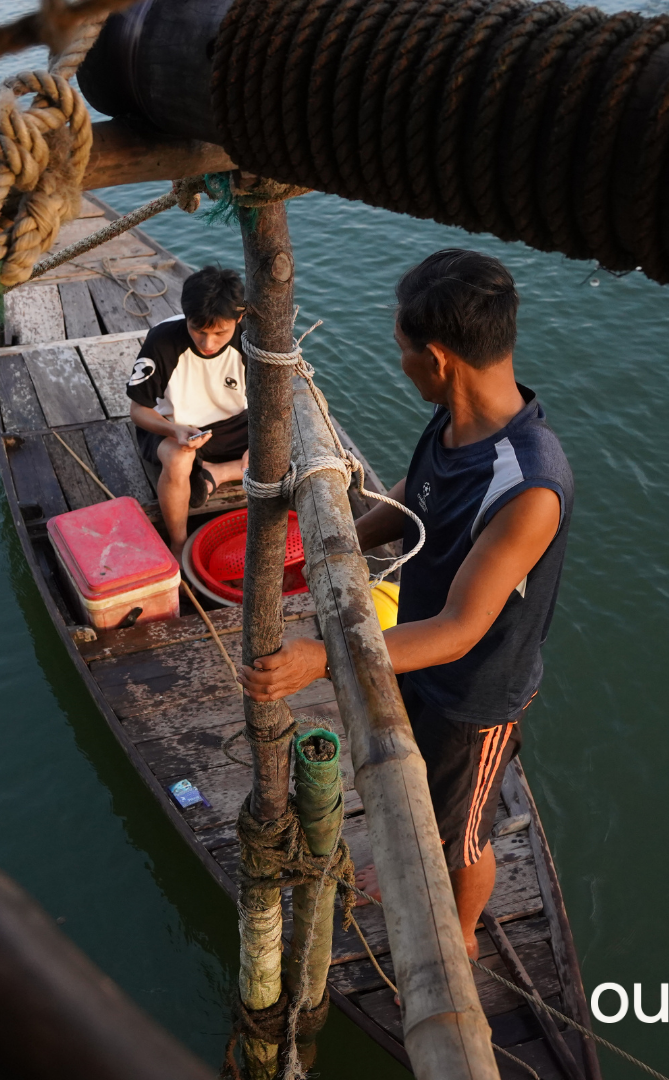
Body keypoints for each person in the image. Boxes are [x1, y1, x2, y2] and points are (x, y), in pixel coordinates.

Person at [237, 248, 573, 961]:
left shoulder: (529, 488)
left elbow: (458, 629)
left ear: (440, 359)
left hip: (473, 693)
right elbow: (413, 503)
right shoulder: (455, 422)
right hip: (418, 654)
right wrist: (332, 552)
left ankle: (463, 936)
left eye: (403, 351)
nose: (400, 364)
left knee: (463, 828)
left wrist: (323, 659)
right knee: (412, 776)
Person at [127, 265, 249, 560]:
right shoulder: (163, 340)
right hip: (176, 424)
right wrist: (174, 430)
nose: (208, 343)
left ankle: (218, 473)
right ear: (186, 317)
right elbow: (138, 409)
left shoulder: (253, 338)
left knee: (300, 444)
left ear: (240, 317)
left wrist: (258, 444)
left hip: (235, 424)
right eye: (198, 330)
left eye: (220, 332)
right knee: (180, 460)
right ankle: (178, 544)